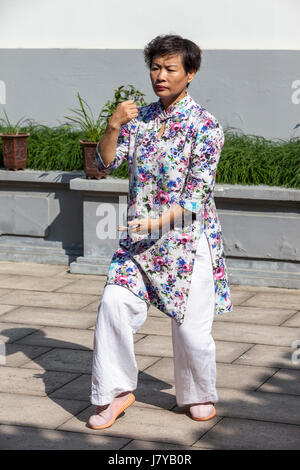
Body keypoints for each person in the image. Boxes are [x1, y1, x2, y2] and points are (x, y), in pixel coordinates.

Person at [88, 34, 233, 430]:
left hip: (187, 242)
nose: (160, 76)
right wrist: (114, 124)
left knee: (192, 333)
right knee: (113, 305)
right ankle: (114, 392)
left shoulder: (205, 127)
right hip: (139, 245)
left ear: (190, 73)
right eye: (155, 67)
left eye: (170, 69)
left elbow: (194, 199)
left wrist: (152, 223)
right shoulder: (141, 119)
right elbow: (105, 164)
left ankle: (198, 393)